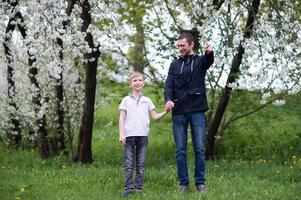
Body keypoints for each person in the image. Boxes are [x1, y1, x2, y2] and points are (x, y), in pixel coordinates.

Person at [164, 32, 214, 193]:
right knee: (180, 150)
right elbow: (169, 84)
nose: (180, 48)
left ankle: (200, 183)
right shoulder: (174, 64)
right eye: (178, 46)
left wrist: (209, 53)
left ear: (191, 44)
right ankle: (183, 184)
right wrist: (168, 99)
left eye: (183, 45)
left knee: (199, 149)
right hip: (178, 111)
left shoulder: (200, 61)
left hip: (197, 110)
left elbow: (208, 61)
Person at [119, 71, 170, 197]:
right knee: (129, 164)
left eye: (140, 80)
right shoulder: (126, 100)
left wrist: (166, 111)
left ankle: (139, 189)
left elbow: (155, 117)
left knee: (140, 165)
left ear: (144, 83)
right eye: (134, 80)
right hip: (129, 136)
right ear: (130, 84)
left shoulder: (147, 101)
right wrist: (121, 134)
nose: (137, 82)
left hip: (142, 136)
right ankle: (128, 189)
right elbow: (121, 118)